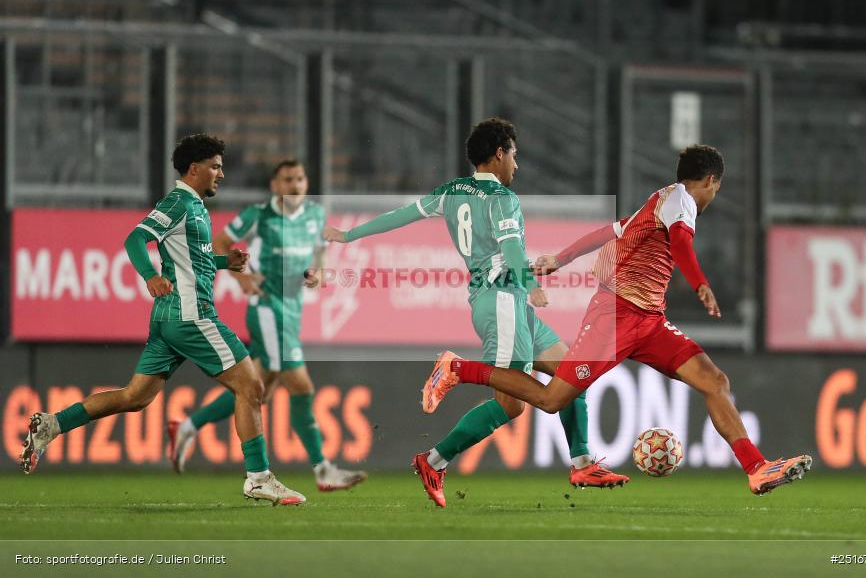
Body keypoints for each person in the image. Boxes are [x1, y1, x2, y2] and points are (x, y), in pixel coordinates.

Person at [424, 144, 812, 496]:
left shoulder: (660, 200)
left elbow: (608, 232)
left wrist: (561, 258)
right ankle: (459, 368)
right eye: (716, 189)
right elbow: (680, 243)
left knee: (714, 381)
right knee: (551, 399)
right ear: (711, 181)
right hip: (616, 314)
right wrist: (701, 284)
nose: (713, 196)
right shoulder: (682, 203)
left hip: (649, 321)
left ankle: (756, 468)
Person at [323, 117, 627, 507]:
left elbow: (401, 215)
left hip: (507, 300)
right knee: (515, 405)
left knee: (573, 374)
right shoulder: (503, 199)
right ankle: (446, 411)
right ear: (499, 154)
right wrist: (531, 284)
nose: (517, 164)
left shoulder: (451, 192)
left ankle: (581, 461)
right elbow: (513, 252)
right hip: (503, 302)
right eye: (514, 155)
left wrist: (348, 235)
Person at [20, 134, 305, 505]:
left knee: (134, 397)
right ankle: (258, 477)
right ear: (194, 169)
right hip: (191, 315)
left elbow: (193, 261)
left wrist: (224, 262)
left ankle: (52, 425)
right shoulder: (178, 202)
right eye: (215, 166)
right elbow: (135, 239)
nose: (221, 173)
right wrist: (149, 276)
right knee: (251, 387)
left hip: (169, 319)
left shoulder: (196, 207)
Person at [168, 159, 367, 491]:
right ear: (275, 185)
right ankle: (321, 470)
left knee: (259, 389)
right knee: (300, 386)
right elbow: (219, 243)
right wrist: (243, 278)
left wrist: (317, 271)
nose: (295, 185)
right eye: (287, 179)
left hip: (292, 311)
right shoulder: (258, 215)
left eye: (301, 178)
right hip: (266, 308)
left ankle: (188, 425)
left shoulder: (316, 216)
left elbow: (320, 251)